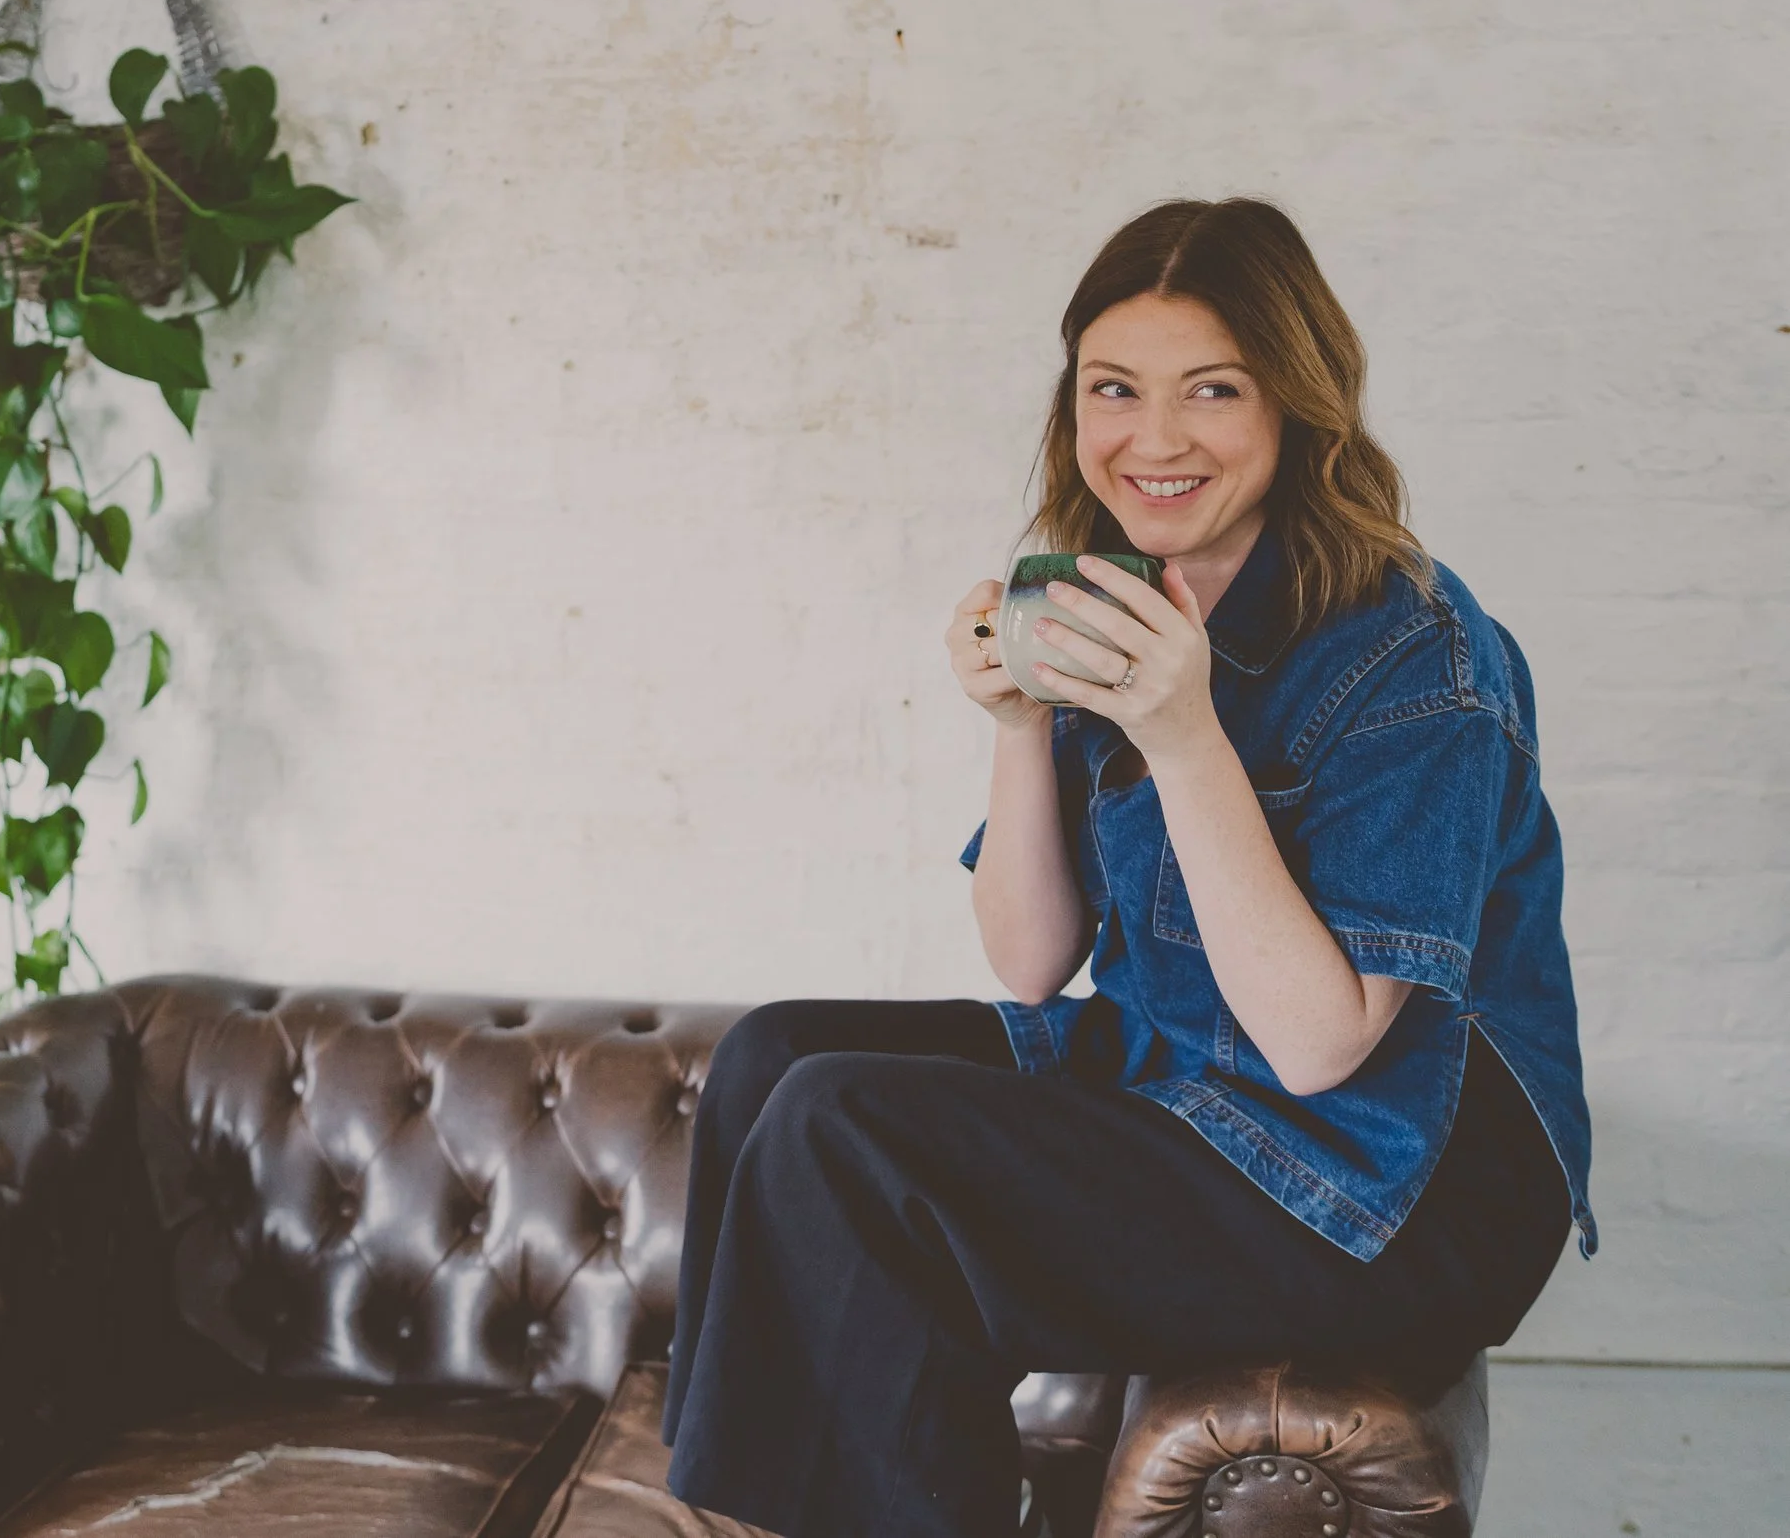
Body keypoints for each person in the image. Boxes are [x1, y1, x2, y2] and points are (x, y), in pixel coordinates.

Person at [659, 198, 1594, 1538]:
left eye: (1212, 389)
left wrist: (1184, 731)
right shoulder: (1117, 592)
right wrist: (1021, 722)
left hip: (1391, 1179)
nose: (1153, 439)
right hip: (1200, 1084)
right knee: (771, 1062)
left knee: (843, 1128)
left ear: (1297, 404)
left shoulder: (1419, 657)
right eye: (1115, 388)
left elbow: (1323, 1045)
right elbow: (1032, 959)